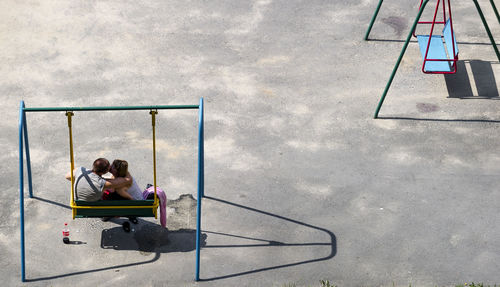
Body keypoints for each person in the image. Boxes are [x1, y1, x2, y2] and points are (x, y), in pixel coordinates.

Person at [65, 158, 132, 201]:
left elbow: (67, 176)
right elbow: (127, 180)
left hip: (77, 204)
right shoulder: (103, 183)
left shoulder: (80, 170)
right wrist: (125, 170)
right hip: (93, 206)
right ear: (106, 172)